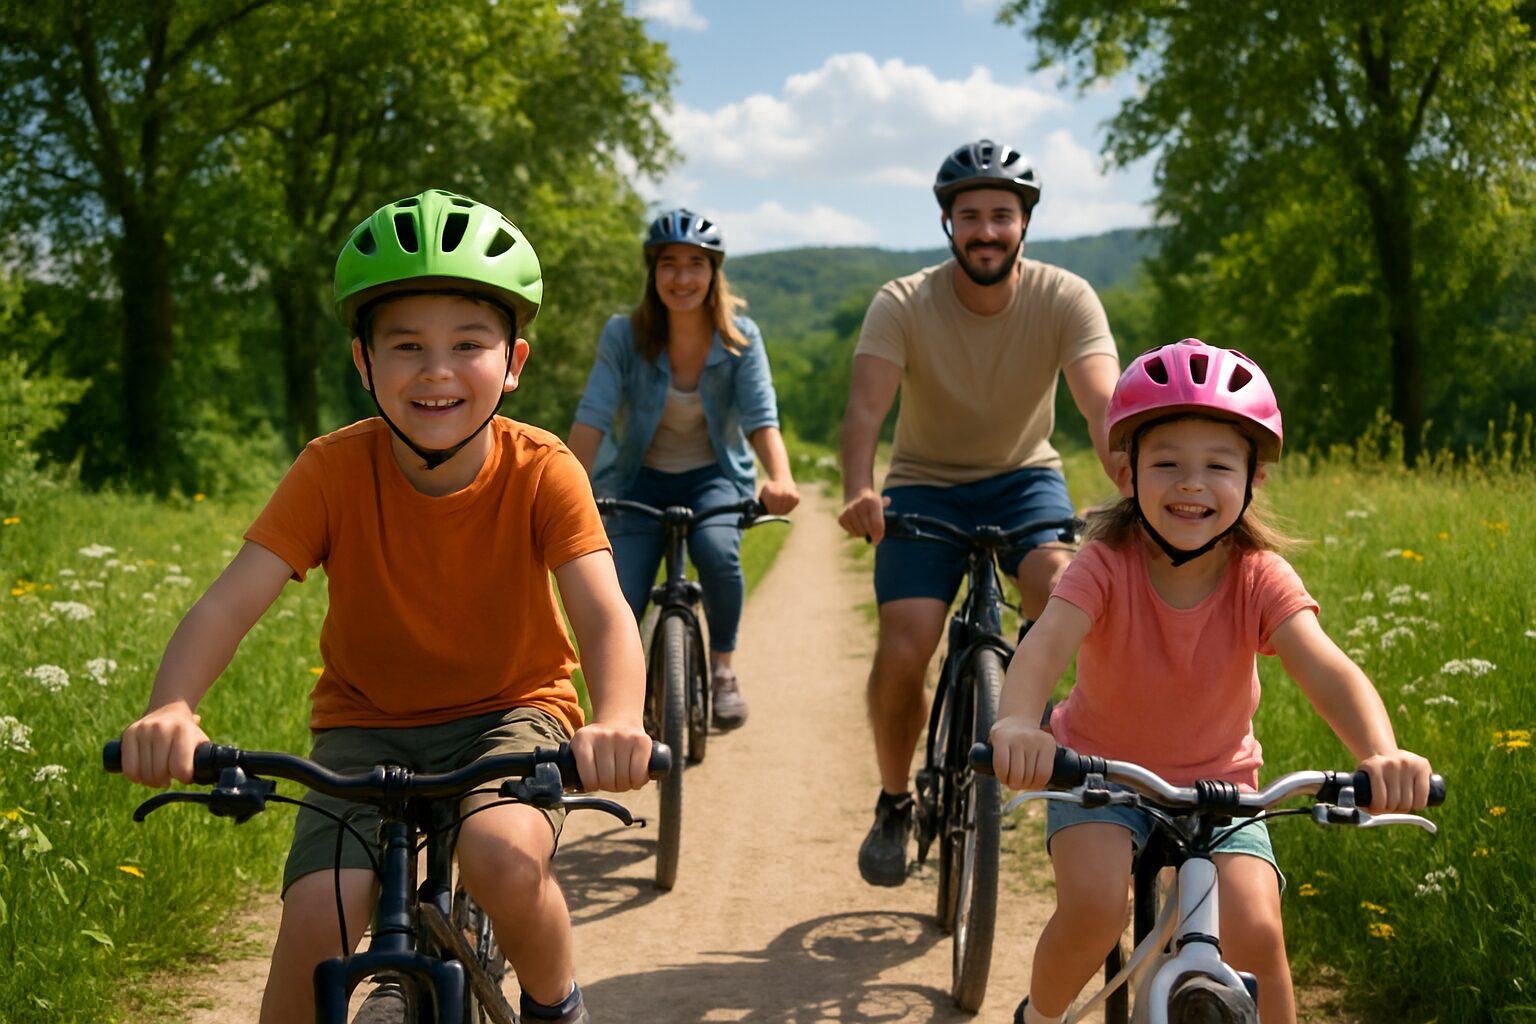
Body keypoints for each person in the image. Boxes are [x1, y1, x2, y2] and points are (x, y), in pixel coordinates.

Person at [114, 189, 651, 1024]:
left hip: (512, 713)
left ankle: (558, 1007)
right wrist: (173, 708)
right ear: (365, 364)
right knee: (315, 927)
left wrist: (616, 716)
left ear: (513, 363)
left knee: (503, 857)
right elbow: (228, 602)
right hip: (364, 729)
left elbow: (604, 611)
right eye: (406, 346)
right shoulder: (331, 470)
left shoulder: (543, 469)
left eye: (468, 343)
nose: (436, 370)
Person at [989, 339, 1436, 1024]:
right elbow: (1047, 643)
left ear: (1254, 478)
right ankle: (1041, 1016)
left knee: (1257, 930)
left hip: (1222, 789)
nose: (1191, 483)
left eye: (1218, 465)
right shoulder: (1105, 563)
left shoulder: (1258, 576)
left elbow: (1326, 667)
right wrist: (1019, 725)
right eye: (1166, 462)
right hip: (1100, 775)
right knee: (1095, 909)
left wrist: (1381, 752)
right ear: (1125, 472)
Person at [837, 139, 1122, 886]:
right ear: (947, 223)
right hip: (924, 484)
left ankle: (1029, 714)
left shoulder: (1065, 297)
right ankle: (896, 800)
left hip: (1025, 476)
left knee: (1057, 577)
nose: (987, 231)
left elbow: (1103, 404)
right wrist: (859, 489)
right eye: (971, 216)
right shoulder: (902, 302)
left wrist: (1130, 490)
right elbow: (865, 410)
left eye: (1002, 215)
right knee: (907, 642)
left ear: (1024, 223)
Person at [569, 208, 800, 730]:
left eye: (695, 264)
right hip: (637, 479)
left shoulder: (741, 337)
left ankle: (722, 670)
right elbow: (594, 415)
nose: (682, 277)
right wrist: (567, 485)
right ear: (652, 273)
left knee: (719, 555)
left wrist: (780, 477)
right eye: (669, 264)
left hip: (713, 477)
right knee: (620, 594)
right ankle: (621, 708)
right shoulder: (623, 336)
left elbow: (763, 417)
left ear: (714, 273)